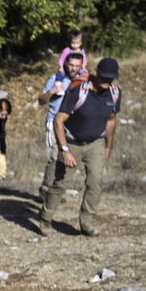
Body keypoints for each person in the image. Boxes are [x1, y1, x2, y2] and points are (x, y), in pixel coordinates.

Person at [42, 58, 122, 237]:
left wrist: (109, 146)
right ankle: (45, 219)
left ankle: (87, 222)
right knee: (61, 183)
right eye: (104, 77)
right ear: (96, 72)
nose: (106, 82)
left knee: (95, 182)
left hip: (96, 143)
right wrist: (65, 150)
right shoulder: (78, 91)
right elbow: (59, 120)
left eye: (111, 79)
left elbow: (111, 120)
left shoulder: (115, 94)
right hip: (72, 142)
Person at [36, 50, 87, 201]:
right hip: (54, 121)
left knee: (64, 157)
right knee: (53, 157)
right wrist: (51, 91)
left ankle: (55, 191)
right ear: (65, 63)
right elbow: (41, 100)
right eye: (71, 65)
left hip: (72, 125)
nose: (73, 68)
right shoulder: (56, 79)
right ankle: (46, 190)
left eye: (77, 66)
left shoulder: (83, 80)